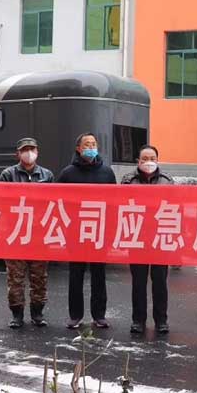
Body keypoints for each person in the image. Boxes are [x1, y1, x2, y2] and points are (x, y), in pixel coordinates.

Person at [56, 132, 117, 330]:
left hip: (99, 231)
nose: (90, 147)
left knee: (99, 275)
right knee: (76, 275)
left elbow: (115, 202)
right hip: (76, 232)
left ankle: (99, 315)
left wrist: (111, 229)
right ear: (78, 149)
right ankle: (75, 315)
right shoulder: (67, 173)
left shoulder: (107, 173)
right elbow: (57, 201)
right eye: (86, 144)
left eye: (93, 144)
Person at [0, 137, 54, 329]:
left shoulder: (47, 175)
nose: (28, 153)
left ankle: (38, 313)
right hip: (15, 234)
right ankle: (17, 315)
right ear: (18, 154)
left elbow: (53, 203)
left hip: (39, 234)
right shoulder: (8, 174)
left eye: (32, 149)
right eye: (25, 150)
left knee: (40, 278)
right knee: (15, 278)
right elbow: (2, 201)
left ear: (37, 152)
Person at [122, 145, 173, 335]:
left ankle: (161, 320)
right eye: (144, 159)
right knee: (138, 282)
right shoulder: (128, 181)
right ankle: (138, 320)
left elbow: (176, 208)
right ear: (138, 161)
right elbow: (119, 206)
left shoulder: (167, 181)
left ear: (158, 160)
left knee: (160, 282)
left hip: (160, 237)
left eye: (152, 158)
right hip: (137, 237)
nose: (148, 162)